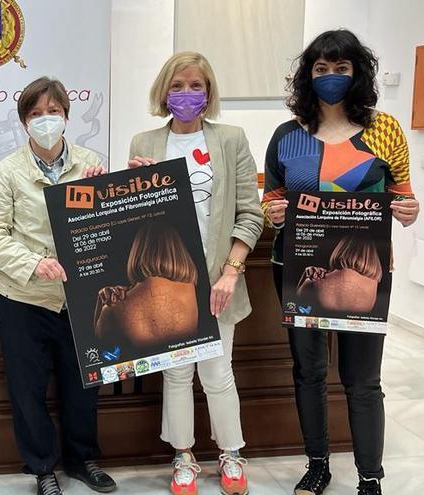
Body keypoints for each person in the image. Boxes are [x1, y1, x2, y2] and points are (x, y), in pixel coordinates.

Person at [262, 29, 420, 495]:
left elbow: (404, 199)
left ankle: (370, 476)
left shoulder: (385, 129)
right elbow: (273, 198)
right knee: (308, 370)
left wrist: (410, 211)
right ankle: (318, 464)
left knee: (362, 378)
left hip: (365, 270)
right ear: (308, 76)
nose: (331, 77)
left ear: (358, 74)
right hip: (298, 268)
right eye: (321, 68)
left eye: (341, 68)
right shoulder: (287, 136)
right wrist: (274, 211)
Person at [128, 51, 264, 495]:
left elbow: (250, 213)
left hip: (218, 280)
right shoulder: (144, 144)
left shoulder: (231, 139)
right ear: (163, 91)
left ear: (209, 92)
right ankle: (183, 457)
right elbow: (131, 223)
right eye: (178, 85)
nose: (186, 94)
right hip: (169, 281)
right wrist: (130, 192)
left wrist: (231, 272)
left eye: (196, 86)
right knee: (176, 374)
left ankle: (230, 454)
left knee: (217, 373)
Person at [0, 76, 116, 495]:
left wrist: (104, 190)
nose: (45, 120)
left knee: (83, 384)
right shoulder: (7, 171)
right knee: (28, 389)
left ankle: (82, 459)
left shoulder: (91, 162)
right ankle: (42, 467)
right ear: (23, 122)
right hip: (23, 299)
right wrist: (35, 263)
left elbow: (112, 229)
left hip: (80, 299)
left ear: (67, 117)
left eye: (53, 112)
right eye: (35, 114)